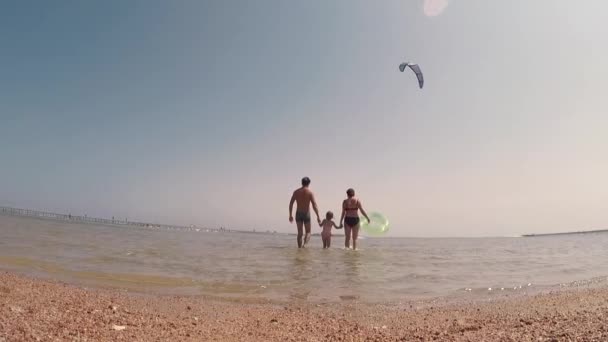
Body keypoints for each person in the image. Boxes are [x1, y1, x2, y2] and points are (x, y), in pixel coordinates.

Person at [289, 177, 321, 248]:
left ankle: (299, 248)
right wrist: (318, 216)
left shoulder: (296, 192)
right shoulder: (310, 193)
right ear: (309, 183)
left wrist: (290, 215)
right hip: (306, 214)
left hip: (298, 213)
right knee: (308, 232)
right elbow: (314, 205)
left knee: (300, 233)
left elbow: (291, 203)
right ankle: (305, 245)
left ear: (301, 182)